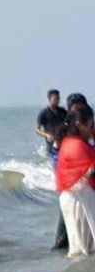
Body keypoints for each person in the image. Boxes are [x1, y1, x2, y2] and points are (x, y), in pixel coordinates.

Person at [55, 105, 95, 256]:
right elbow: (91, 170)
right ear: (79, 124)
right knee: (81, 251)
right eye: (90, 124)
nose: (92, 128)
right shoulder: (75, 145)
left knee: (84, 250)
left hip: (80, 198)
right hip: (78, 201)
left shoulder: (75, 142)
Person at [35, 90, 67, 155]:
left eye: (58, 98)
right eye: (55, 99)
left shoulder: (63, 111)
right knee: (52, 158)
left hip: (63, 140)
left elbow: (68, 122)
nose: (57, 101)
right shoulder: (44, 113)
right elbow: (37, 129)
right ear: (49, 99)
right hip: (51, 141)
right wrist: (46, 135)